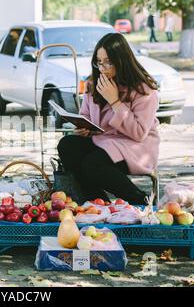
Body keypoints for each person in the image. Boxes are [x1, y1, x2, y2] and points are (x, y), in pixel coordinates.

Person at [57, 33, 160, 205]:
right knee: (67, 145)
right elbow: (86, 116)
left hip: (135, 147)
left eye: (108, 62)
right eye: (99, 62)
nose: (103, 68)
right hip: (104, 140)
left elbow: (139, 133)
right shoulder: (94, 83)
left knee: (92, 164)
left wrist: (115, 101)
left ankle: (140, 199)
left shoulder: (144, 89)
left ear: (122, 61)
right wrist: (84, 127)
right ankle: (99, 203)